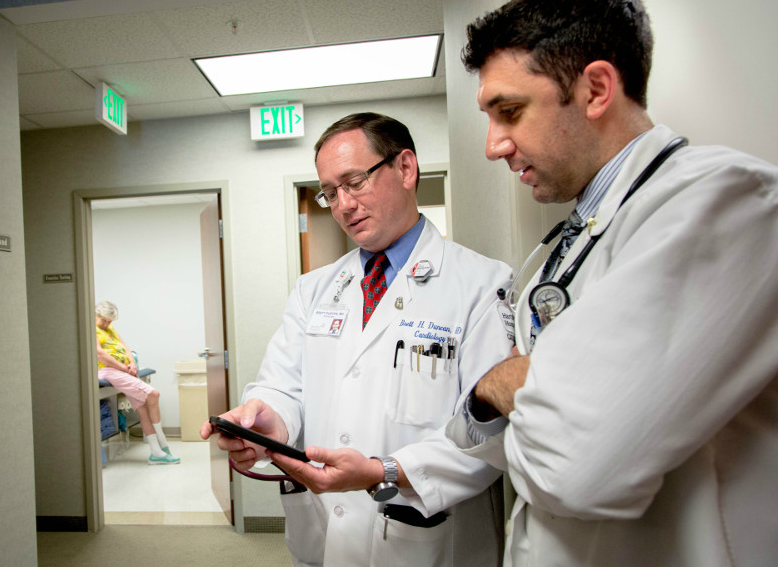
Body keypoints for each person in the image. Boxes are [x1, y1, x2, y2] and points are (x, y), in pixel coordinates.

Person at [445, 1, 778, 566]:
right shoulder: (571, 241)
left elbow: (573, 468)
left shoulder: (727, 201)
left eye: (510, 111)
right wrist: (503, 389)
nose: (492, 144)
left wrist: (510, 386)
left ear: (596, 90)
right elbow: (483, 436)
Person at [201, 113, 514, 566]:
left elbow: (488, 433)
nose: (343, 205)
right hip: (325, 532)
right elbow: (283, 385)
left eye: (354, 182)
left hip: (425, 537)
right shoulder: (314, 289)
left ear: (405, 168)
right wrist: (268, 421)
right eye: (330, 192)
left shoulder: (482, 285)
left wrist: (382, 471)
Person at [96, 301, 180, 465]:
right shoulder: (92, 330)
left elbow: (125, 347)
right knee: (153, 394)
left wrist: (132, 364)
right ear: (96, 315)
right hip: (108, 370)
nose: (106, 324)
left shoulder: (110, 329)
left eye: (109, 321)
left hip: (122, 369)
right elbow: (100, 354)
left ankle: (156, 453)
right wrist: (122, 367)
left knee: (143, 409)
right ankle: (163, 443)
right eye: (104, 320)